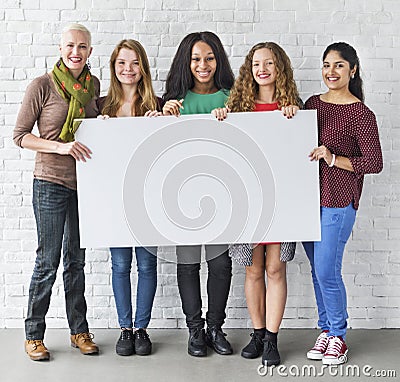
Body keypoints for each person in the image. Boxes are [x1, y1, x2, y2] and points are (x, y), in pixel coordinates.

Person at [13, 23, 100, 361]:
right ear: (60, 49)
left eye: (82, 46)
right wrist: (60, 148)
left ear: (90, 51)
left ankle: (79, 330)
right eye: (69, 46)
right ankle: (33, 335)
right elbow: (21, 135)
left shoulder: (93, 87)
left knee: (76, 262)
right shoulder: (43, 85)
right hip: (49, 182)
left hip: (86, 186)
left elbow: (94, 130)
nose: (75, 52)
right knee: (47, 261)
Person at [213, 42, 301, 366]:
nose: (262, 69)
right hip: (249, 200)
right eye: (256, 64)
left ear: (281, 69)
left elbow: (299, 151)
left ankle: (273, 340)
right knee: (253, 269)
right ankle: (258, 333)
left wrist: (294, 118)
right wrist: (223, 116)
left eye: (269, 63)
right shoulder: (238, 106)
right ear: (249, 70)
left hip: (281, 199)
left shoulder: (293, 107)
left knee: (276, 268)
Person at [303, 42, 383, 365]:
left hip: (339, 201)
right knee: (316, 270)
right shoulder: (310, 104)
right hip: (307, 200)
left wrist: (334, 158)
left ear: (352, 70)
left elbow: (373, 162)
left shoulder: (361, 113)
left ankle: (338, 335)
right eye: (326, 65)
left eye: (338, 65)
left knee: (327, 269)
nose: (330, 72)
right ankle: (325, 329)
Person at [162, 31, 235, 357]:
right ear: (185, 63)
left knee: (220, 266)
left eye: (209, 58)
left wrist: (230, 117)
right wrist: (162, 120)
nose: (202, 65)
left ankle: (215, 327)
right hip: (183, 197)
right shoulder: (173, 101)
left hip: (222, 195)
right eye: (195, 59)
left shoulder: (232, 98)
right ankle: (195, 331)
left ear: (217, 60)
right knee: (188, 264)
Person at [98, 39, 162, 357]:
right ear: (113, 68)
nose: (128, 69)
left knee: (147, 265)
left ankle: (142, 329)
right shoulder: (101, 107)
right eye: (122, 63)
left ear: (143, 68)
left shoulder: (156, 105)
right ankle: (125, 329)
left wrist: (160, 123)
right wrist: (98, 131)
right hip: (114, 200)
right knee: (121, 265)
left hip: (147, 201)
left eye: (134, 63)